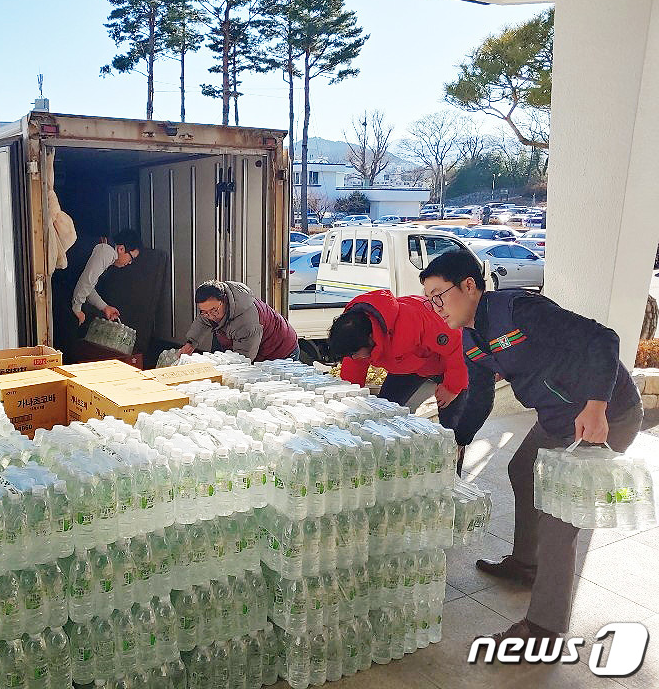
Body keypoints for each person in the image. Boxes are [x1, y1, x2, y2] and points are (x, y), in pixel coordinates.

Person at [419, 250, 643, 642]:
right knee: (522, 469)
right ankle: (525, 563)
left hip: (605, 415)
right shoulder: (471, 339)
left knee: (560, 515)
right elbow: (479, 397)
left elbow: (602, 338)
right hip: (558, 418)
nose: (435, 307)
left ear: (469, 286)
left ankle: (544, 626)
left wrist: (596, 405)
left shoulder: (517, 310)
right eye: (428, 300)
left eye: (439, 296)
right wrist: (458, 441)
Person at [327, 289, 469, 472]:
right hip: (408, 365)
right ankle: (386, 462)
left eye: (354, 354)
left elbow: (458, 346)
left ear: (371, 338)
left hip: (449, 362)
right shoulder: (357, 332)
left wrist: (452, 387)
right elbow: (352, 374)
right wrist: (349, 403)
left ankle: (452, 474)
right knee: (383, 411)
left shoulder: (414, 320)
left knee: (452, 429)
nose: (354, 358)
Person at [178, 280, 299, 362]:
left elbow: (242, 361)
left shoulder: (246, 321)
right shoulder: (211, 310)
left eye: (214, 310)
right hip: (254, 347)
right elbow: (203, 321)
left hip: (281, 352)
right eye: (204, 312)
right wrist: (191, 343)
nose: (210, 316)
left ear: (224, 300)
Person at [71, 229, 142, 326]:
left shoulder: (106, 248)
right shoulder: (107, 252)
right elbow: (86, 282)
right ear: (121, 249)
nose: (130, 263)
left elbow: (88, 287)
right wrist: (77, 309)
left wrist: (105, 307)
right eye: (131, 258)